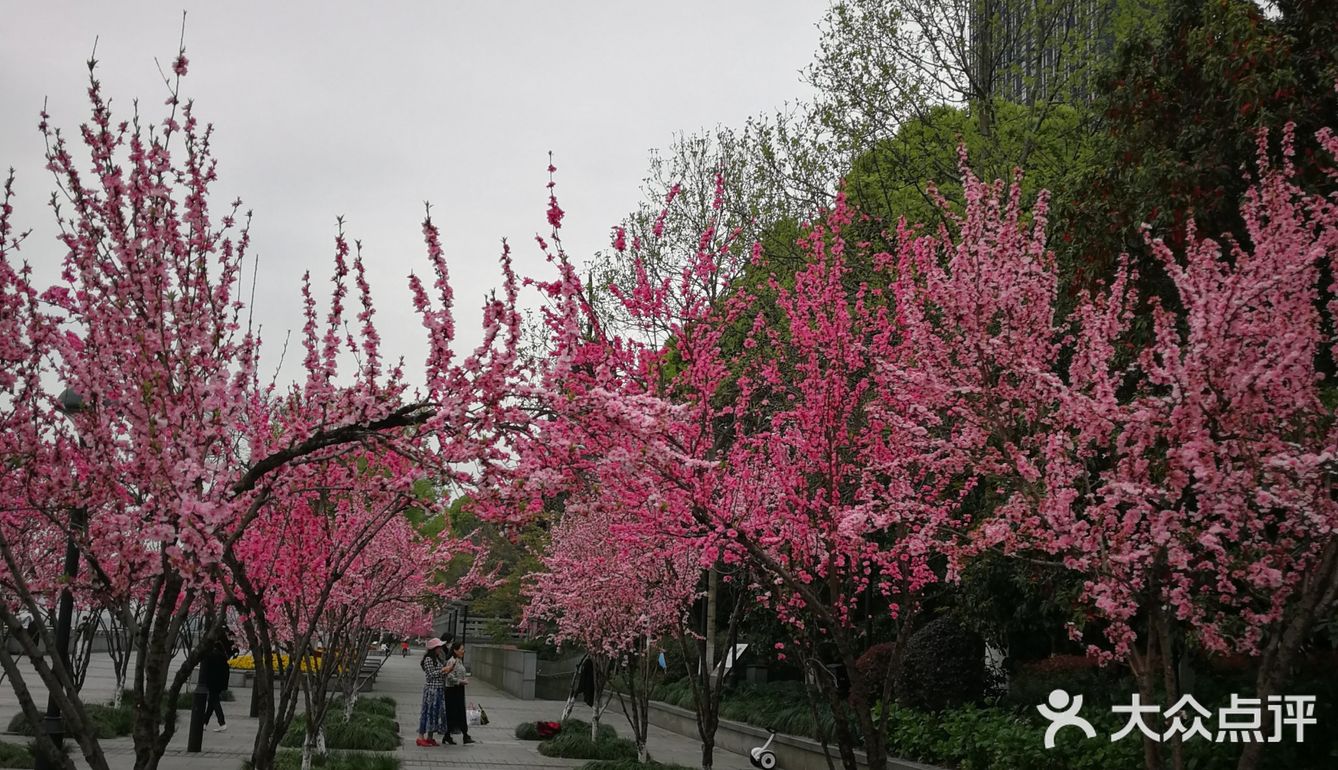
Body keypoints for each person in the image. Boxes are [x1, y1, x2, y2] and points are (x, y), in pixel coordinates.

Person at [415, 638, 449, 747]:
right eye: (438, 647)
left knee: (435, 714)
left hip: (439, 689)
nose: (440, 649)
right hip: (431, 690)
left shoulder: (438, 659)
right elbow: (430, 675)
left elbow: (439, 674)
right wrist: (442, 670)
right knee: (427, 712)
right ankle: (420, 737)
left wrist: (447, 670)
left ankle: (430, 737)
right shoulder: (428, 659)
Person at [201, 633, 235, 732]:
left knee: (214, 702)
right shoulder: (222, 655)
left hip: (213, 683)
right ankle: (204, 722)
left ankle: (222, 723)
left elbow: (208, 670)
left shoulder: (212, 655)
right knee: (212, 702)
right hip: (219, 683)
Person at [442, 641, 474, 744]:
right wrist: (461, 681)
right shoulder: (451, 661)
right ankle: (448, 735)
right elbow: (449, 676)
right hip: (452, 690)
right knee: (452, 712)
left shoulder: (459, 661)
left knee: (460, 712)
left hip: (459, 689)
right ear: (455, 650)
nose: (463, 651)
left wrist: (464, 680)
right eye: (461, 649)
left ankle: (464, 735)